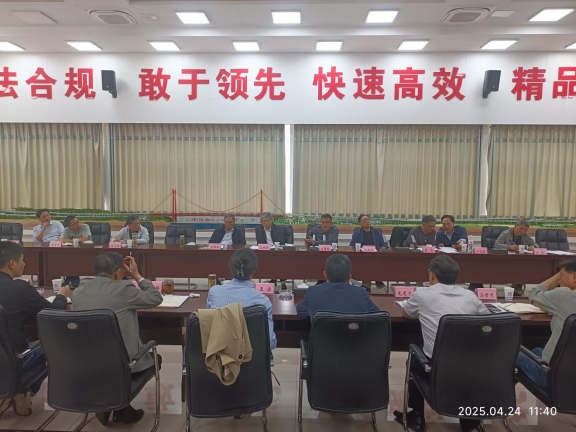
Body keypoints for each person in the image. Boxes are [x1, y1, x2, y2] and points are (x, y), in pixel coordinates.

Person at [395, 255, 489, 432]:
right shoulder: (470, 296)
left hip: (436, 364)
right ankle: (469, 419)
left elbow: (406, 313)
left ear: (432, 275)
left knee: (415, 357)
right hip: (470, 363)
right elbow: (486, 319)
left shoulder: (422, 294)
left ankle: (417, 416)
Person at [72, 253, 163, 425]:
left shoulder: (78, 292)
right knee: (155, 359)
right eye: (123, 270)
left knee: (108, 358)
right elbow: (156, 298)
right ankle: (116, 404)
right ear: (116, 272)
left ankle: (117, 407)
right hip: (121, 365)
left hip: (88, 364)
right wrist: (137, 275)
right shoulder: (123, 289)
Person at [0, 241, 71, 416]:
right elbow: (53, 312)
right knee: (56, 343)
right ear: (12, 263)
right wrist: (62, 296)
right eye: (22, 260)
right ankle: (23, 390)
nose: (24, 264)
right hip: (14, 362)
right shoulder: (19, 288)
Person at [516, 260, 576, 389]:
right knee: (536, 350)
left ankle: (504, 399)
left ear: (574, 277)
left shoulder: (563, 295)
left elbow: (535, 293)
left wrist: (558, 274)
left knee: (513, 353)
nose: (559, 281)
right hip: (571, 374)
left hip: (554, 378)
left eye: (561, 276)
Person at [206, 248, 277, 350]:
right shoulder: (263, 301)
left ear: (231, 269)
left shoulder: (214, 292)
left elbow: (208, 329)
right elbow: (270, 343)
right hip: (252, 359)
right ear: (253, 272)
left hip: (219, 356)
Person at [296, 254, 379, 320]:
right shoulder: (361, 294)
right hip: (353, 336)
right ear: (350, 277)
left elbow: (301, 312)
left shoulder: (313, 292)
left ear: (325, 275)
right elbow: (376, 315)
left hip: (323, 337)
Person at [349, 214, 388, 289]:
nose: (367, 221)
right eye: (364, 220)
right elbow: (352, 245)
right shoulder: (357, 232)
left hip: (375, 255)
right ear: (360, 223)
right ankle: (373, 283)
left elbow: (382, 245)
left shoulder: (376, 231)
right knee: (366, 263)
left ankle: (375, 281)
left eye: (368, 220)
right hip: (362, 255)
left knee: (375, 262)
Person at [61, 215, 93, 287]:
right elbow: (63, 240)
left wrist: (70, 240)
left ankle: (68, 280)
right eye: (75, 223)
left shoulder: (85, 226)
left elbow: (85, 238)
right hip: (72, 253)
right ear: (69, 226)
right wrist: (77, 240)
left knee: (73, 261)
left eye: (78, 222)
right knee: (70, 260)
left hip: (87, 252)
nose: (78, 224)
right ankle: (73, 281)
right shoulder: (67, 230)